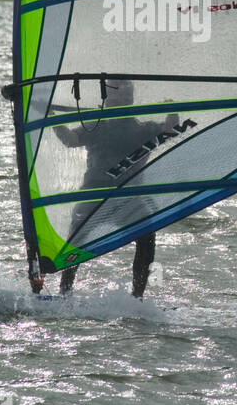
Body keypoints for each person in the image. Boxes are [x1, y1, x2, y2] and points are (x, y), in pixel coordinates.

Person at [51, 80, 183, 298]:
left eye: (126, 97)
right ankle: (64, 293)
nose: (122, 101)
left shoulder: (143, 129)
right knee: (76, 241)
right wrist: (53, 118)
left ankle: (137, 297)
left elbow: (170, 131)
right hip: (94, 194)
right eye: (117, 97)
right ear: (107, 100)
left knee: (147, 236)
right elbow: (71, 139)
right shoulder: (96, 126)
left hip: (128, 197)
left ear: (132, 101)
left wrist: (173, 111)